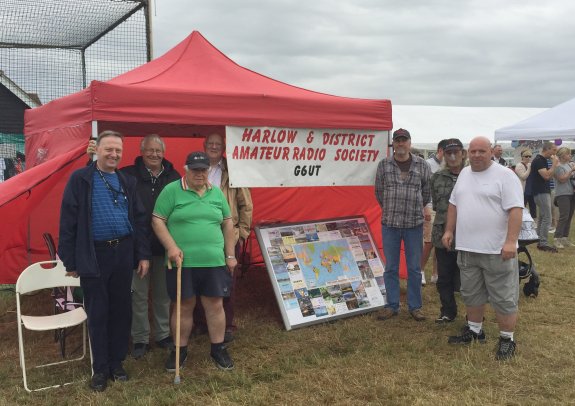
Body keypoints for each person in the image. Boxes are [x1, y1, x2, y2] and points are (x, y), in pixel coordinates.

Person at [58, 131, 151, 391]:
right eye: (108, 149)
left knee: (121, 310)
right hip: (94, 254)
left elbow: (140, 220)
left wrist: (142, 254)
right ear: (96, 150)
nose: (113, 154)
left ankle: (116, 363)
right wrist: (70, 260)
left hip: (123, 252)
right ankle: (100, 369)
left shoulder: (127, 180)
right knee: (98, 312)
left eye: (117, 151)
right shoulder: (81, 179)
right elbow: (68, 220)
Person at [88, 135, 181, 359]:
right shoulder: (127, 175)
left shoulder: (174, 176)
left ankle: (163, 335)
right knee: (138, 295)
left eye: (158, 150)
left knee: (163, 295)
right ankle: (140, 338)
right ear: (141, 151)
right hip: (137, 248)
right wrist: (90, 158)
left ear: (163, 152)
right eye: (149, 150)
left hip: (166, 245)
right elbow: (95, 180)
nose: (154, 154)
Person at [152, 151, 237, 371]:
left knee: (215, 305)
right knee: (182, 306)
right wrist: (171, 247)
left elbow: (228, 224)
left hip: (214, 261)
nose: (200, 174)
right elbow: (157, 221)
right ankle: (179, 350)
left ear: (209, 170)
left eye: (203, 169)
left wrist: (230, 254)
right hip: (182, 263)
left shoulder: (216, 193)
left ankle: (217, 349)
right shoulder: (171, 190)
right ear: (186, 169)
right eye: (195, 169)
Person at [442, 136, 523, 361]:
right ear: (468, 153)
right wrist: (449, 231)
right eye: (473, 151)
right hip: (467, 248)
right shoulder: (465, 174)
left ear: (491, 152)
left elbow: (516, 210)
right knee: (471, 293)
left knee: (503, 296)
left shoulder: (505, 176)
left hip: (497, 250)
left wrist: (510, 242)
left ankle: (507, 339)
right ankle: (475, 331)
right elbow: (453, 204)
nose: (477, 155)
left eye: (482, 151)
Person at [193, 132, 253, 343]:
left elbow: (246, 204)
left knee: (227, 282)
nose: (214, 147)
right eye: (210, 143)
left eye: (218, 144)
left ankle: (227, 325)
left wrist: (242, 233)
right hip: (200, 237)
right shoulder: (195, 168)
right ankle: (201, 322)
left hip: (228, 236)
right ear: (204, 144)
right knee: (200, 280)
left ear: (223, 147)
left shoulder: (234, 171)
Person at [374, 128, 431, 321]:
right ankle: (392, 305)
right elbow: (379, 192)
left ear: (409, 142)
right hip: (390, 224)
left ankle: (415, 307)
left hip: (414, 225)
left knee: (414, 268)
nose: (400, 144)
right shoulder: (383, 165)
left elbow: (426, 193)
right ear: (393, 143)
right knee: (391, 267)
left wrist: (413, 207)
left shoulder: (422, 165)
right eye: (397, 140)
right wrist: (391, 208)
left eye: (403, 140)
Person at [429, 139, 466, 323]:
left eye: (456, 152)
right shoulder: (437, 177)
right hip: (443, 232)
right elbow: (436, 203)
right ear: (443, 154)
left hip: (468, 233)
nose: (452, 156)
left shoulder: (471, 175)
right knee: (444, 276)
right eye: (448, 153)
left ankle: (473, 314)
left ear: (462, 153)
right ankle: (447, 311)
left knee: (469, 276)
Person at [422, 139, 448, 285]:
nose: (449, 156)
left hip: (443, 208)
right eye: (446, 152)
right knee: (429, 241)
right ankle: (420, 270)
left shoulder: (448, 166)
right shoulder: (427, 164)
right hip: (430, 206)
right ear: (439, 151)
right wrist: (425, 206)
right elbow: (422, 187)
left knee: (440, 241)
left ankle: (435, 273)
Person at [529, 141, 559, 252]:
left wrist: (553, 166)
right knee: (547, 217)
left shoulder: (543, 160)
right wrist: (555, 164)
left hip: (543, 191)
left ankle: (539, 239)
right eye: (554, 150)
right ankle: (543, 243)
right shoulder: (539, 160)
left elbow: (549, 176)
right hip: (541, 192)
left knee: (542, 216)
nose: (555, 152)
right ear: (547, 149)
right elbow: (546, 176)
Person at [552, 147, 575, 248]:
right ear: (562, 155)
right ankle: (557, 238)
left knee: (569, 216)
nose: (570, 155)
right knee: (564, 216)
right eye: (568, 154)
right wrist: (571, 171)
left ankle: (565, 237)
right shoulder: (558, 167)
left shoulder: (569, 165)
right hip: (562, 194)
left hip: (571, 193)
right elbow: (562, 179)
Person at [514, 149, 537, 220]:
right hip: (523, 190)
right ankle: (520, 221)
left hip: (531, 189)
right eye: (526, 156)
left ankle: (533, 221)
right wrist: (529, 168)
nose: (528, 158)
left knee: (533, 207)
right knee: (522, 207)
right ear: (522, 157)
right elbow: (523, 177)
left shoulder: (530, 165)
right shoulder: (519, 165)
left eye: (530, 156)